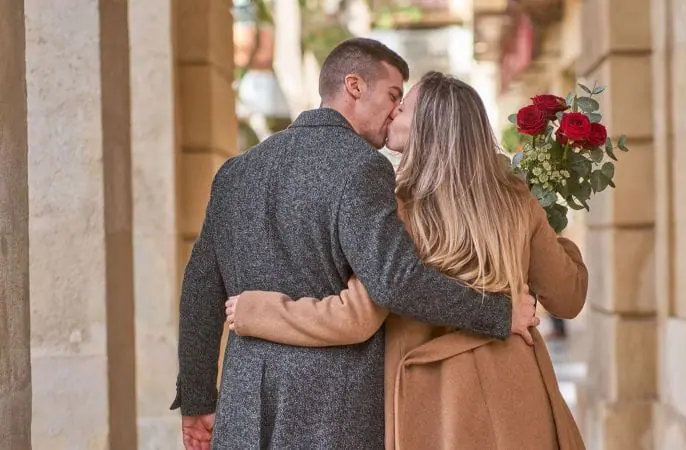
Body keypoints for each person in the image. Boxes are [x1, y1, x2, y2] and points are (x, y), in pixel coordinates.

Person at [172, 38, 540, 450]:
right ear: (354, 85)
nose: (396, 113)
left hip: (244, 404)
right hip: (332, 411)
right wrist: (497, 313)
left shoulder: (235, 172)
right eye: (393, 95)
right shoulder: (363, 168)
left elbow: (200, 289)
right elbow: (396, 281)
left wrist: (198, 399)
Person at [225, 72, 589, 449]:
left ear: (428, 128)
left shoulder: (394, 208)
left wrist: (257, 311)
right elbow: (569, 297)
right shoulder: (515, 199)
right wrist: (555, 234)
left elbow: (354, 318)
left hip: (436, 406)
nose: (393, 111)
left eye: (404, 106)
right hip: (521, 398)